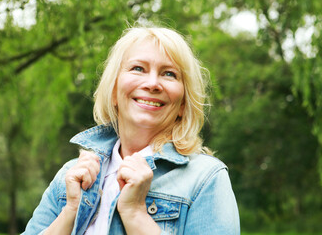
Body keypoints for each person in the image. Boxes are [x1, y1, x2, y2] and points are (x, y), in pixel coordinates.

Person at [22, 26, 240, 235]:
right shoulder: (70, 177)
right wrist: (70, 212)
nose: (153, 83)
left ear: (183, 103)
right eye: (138, 68)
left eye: (169, 74)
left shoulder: (206, 179)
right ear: (114, 91)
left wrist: (136, 214)